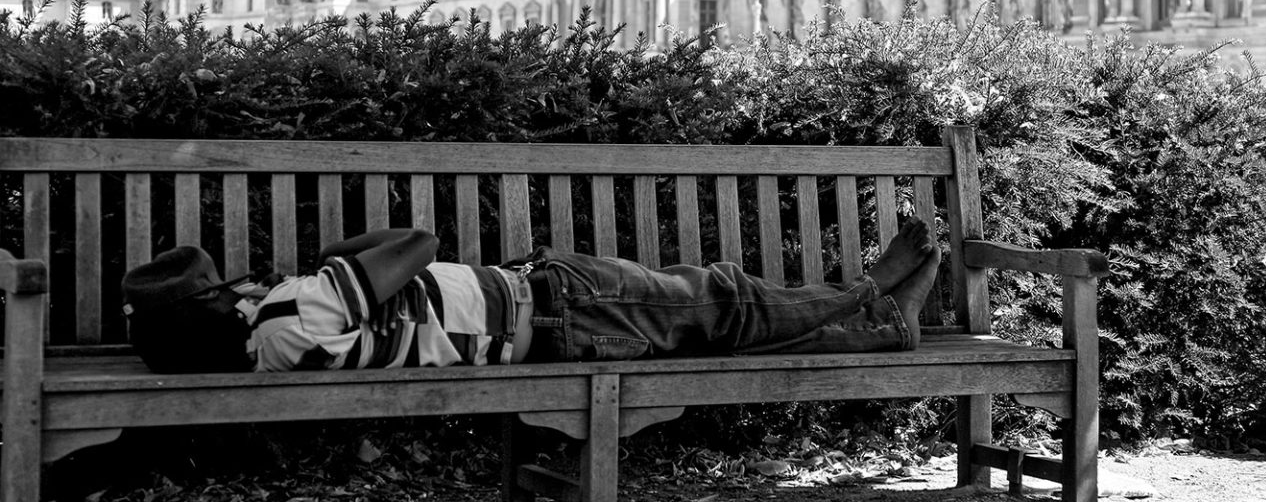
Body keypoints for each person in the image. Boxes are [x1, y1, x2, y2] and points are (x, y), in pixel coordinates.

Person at [120, 219, 942, 375]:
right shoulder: (291, 310)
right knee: (724, 300)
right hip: (557, 306)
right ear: (222, 305)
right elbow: (415, 244)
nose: (245, 282)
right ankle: (868, 288)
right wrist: (327, 259)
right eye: (226, 285)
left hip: (551, 326)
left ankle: (884, 329)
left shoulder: (269, 352)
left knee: (719, 329)